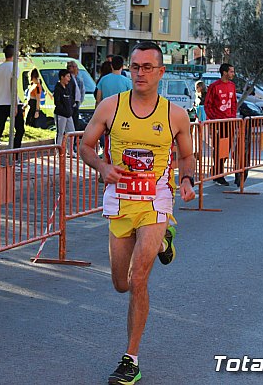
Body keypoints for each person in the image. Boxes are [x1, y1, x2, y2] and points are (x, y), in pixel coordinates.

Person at [79, 41, 196, 385]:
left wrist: (186, 179)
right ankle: (164, 245)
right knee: (121, 283)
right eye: (135, 67)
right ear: (128, 69)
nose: (140, 73)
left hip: (156, 202)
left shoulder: (174, 114)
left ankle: (130, 359)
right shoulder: (110, 108)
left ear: (161, 72)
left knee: (139, 281)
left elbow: (187, 155)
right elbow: (85, 146)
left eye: (147, 67)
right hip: (120, 201)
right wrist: (102, 166)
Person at [0, 45, 25, 169]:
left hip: (1, 104)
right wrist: (15, 104)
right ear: (15, 55)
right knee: (20, 130)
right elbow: (12, 86)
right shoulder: (14, 68)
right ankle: (15, 159)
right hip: (11, 103)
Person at [203, 63, 237, 186]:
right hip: (218, 123)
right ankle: (218, 173)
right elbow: (208, 105)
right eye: (231, 72)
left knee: (226, 148)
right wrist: (215, 119)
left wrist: (232, 117)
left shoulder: (232, 86)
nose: (233, 74)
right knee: (218, 148)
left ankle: (216, 170)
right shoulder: (214, 86)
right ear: (224, 72)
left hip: (229, 122)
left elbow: (233, 103)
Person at [53, 69, 75, 147]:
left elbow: (70, 99)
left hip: (68, 114)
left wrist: (70, 110)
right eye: (67, 77)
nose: (69, 79)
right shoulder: (58, 88)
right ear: (62, 77)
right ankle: (58, 150)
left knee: (72, 132)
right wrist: (63, 111)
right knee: (60, 133)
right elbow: (57, 102)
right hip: (61, 114)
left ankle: (70, 150)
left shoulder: (67, 87)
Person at [67, 61, 85, 130]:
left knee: (75, 125)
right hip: (70, 105)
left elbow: (82, 92)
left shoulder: (78, 80)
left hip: (76, 105)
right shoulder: (68, 79)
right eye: (75, 67)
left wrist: (78, 103)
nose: (77, 69)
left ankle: (73, 140)